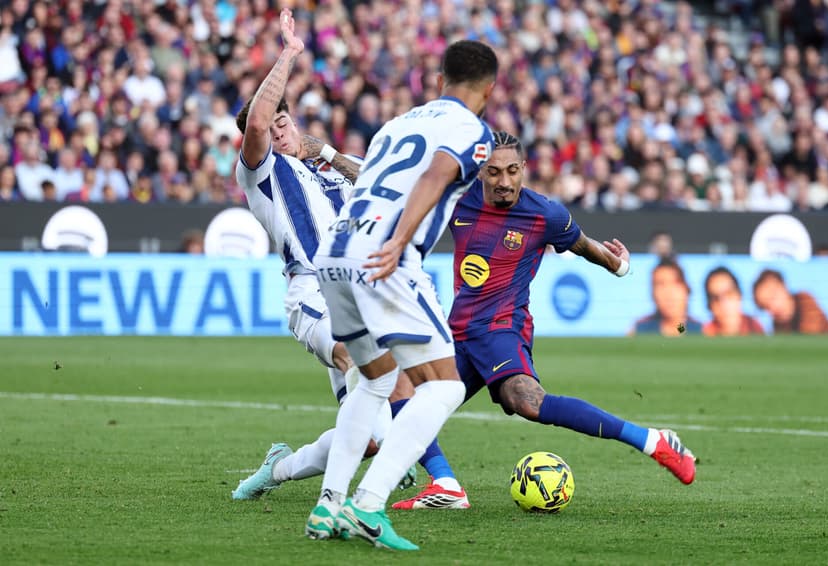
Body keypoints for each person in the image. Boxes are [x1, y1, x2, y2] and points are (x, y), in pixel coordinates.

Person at [229, 10, 461, 506]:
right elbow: (257, 123)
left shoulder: (329, 167)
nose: (278, 133)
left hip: (360, 285)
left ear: (295, 122)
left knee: (370, 434)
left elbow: (383, 185)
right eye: (270, 128)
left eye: (284, 123)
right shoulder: (262, 172)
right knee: (369, 362)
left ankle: (277, 469)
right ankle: (439, 479)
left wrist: (330, 154)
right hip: (312, 290)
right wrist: (290, 53)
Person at [393, 132, 696, 509]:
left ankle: (654, 441)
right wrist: (330, 157)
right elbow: (389, 186)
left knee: (526, 400)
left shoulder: (544, 214)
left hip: (502, 328)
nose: (504, 181)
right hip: (457, 333)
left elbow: (582, 245)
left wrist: (617, 265)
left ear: (524, 168)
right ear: (480, 171)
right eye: (494, 172)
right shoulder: (456, 198)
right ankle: (445, 484)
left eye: (512, 171)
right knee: (399, 395)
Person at [306, 39, 499, 550]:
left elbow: (369, 181)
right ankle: (367, 505)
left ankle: (328, 504)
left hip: (335, 251)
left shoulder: (395, 125)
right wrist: (398, 240)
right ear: (489, 90)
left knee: (374, 379)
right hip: (384, 256)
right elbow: (437, 174)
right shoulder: (472, 129)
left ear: (440, 80)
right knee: (445, 387)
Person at [752, 269, 828, 335]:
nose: (773, 306)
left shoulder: (805, 300)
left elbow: (809, 338)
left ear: (783, 286)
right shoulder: (777, 325)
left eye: (773, 297)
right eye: (766, 306)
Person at [632, 259, 702, 336]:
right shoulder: (641, 330)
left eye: (675, 283)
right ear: (653, 293)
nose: (668, 293)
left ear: (686, 289)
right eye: (660, 284)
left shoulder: (701, 330)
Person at [701, 267, 764, 336]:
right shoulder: (704, 334)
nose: (723, 304)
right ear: (709, 305)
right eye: (716, 298)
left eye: (729, 294)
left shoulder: (756, 329)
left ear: (739, 295)